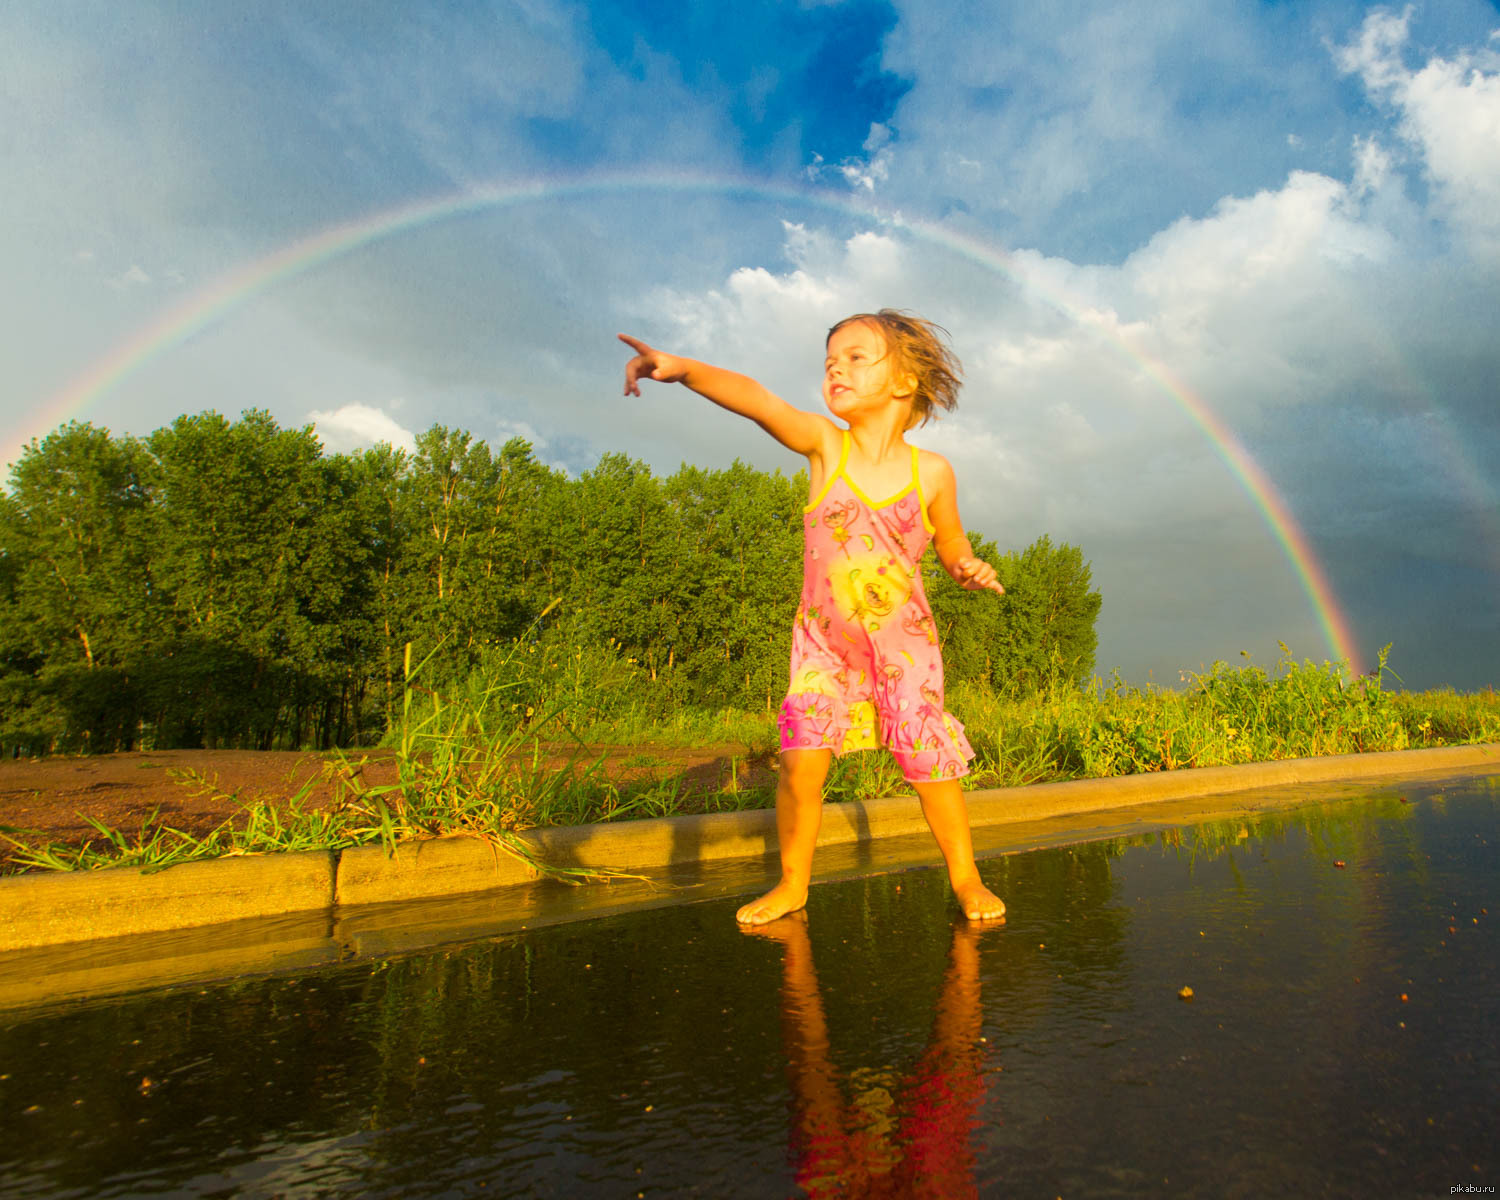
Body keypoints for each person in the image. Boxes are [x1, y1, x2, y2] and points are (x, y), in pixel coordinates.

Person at [619, 309, 1007, 925]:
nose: (836, 368)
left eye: (857, 357)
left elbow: (951, 542)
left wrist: (966, 566)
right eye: (830, 362)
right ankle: (793, 883)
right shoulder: (828, 447)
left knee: (927, 761)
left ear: (906, 381)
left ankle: (966, 879)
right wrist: (686, 370)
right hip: (825, 644)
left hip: (903, 645)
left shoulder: (931, 471)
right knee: (802, 761)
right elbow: (760, 401)